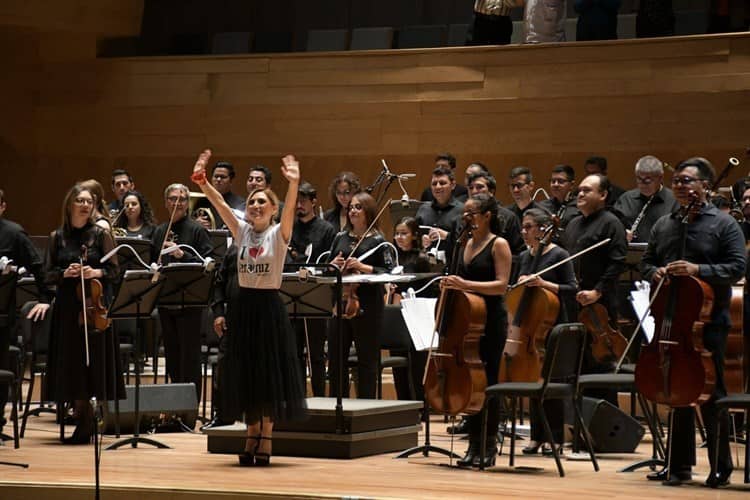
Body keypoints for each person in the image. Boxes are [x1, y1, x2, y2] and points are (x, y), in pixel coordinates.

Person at [192, 149, 306, 466]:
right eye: (252, 201)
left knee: (267, 375)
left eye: (262, 202)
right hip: (243, 309)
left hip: (268, 309)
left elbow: (291, 209)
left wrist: (293, 183)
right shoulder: (241, 232)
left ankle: (265, 435)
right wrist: (202, 183)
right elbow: (221, 205)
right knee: (247, 375)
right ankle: (250, 432)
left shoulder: (278, 234)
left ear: (273, 209)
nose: (255, 205)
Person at [641, 157, 745, 487]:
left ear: (705, 186)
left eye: (688, 181)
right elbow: (646, 262)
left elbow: (737, 268)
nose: (681, 187)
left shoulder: (724, 224)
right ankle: (678, 465)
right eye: (677, 182)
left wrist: (699, 270)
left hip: (708, 323)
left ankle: (721, 467)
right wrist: (654, 271)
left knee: (712, 395)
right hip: (672, 322)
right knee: (677, 392)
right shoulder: (666, 224)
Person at [44, 184, 125, 444]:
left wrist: (96, 272)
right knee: (72, 364)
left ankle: (91, 417)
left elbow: (115, 271)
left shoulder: (101, 234)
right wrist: (63, 274)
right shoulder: (57, 237)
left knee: (95, 363)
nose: (85, 205)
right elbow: (46, 275)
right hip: (68, 310)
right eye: (79, 200)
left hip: (95, 308)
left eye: (89, 201)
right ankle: (82, 415)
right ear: (70, 204)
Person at [441, 193, 511, 468]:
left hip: (491, 320)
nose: (465, 217)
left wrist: (465, 285)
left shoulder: (499, 244)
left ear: (487, 216)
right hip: (467, 321)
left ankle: (489, 444)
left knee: (488, 382)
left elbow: (502, 285)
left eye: (471, 213)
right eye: (464, 213)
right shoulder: (466, 243)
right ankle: (472, 444)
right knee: (469, 382)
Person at [515, 208, 577, 456]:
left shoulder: (559, 254)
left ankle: (556, 439)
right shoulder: (524, 256)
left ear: (543, 229)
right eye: (523, 226)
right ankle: (536, 436)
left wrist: (543, 283)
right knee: (533, 380)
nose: (524, 231)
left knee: (552, 384)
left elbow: (572, 288)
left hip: (553, 326)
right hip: (531, 326)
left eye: (529, 226)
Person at [560, 173, 627, 396]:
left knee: (600, 366)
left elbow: (617, 263)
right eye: (579, 190)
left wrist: (597, 291)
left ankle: (606, 425)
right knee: (575, 367)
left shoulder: (611, 223)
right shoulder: (572, 224)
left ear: (603, 195)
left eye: (587, 190)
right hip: (574, 305)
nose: (580, 193)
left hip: (600, 306)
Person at [328, 192, 394, 400]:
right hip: (340, 302)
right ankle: (338, 406)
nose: (353, 211)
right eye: (351, 208)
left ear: (369, 212)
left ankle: (366, 406)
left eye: (358, 207)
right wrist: (334, 266)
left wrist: (362, 267)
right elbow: (327, 269)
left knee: (367, 360)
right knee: (337, 359)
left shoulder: (379, 241)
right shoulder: (340, 237)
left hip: (367, 305)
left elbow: (389, 272)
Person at [151, 183, 212, 404]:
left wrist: (181, 255)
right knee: (173, 356)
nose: (178, 203)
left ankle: (191, 405)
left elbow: (208, 265)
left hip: (191, 303)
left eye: (182, 199)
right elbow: (152, 261)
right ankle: (176, 404)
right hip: (167, 301)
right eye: (173, 198)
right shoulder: (159, 231)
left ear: (187, 203)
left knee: (190, 357)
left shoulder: (197, 230)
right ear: (166, 202)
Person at [0, 189, 52, 435]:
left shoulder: (13, 233)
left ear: (2, 207)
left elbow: (37, 265)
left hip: (2, 317)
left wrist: (44, 298)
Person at [288, 181, 336, 397]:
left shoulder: (326, 229)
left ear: (314, 202)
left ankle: (319, 397)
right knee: (294, 352)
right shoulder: (289, 226)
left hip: (315, 294)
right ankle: (297, 398)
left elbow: (328, 263)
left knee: (316, 353)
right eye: (296, 201)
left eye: (303, 201)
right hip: (291, 292)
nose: (299, 205)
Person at [389, 217, 431, 402]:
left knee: (416, 364)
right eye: (397, 233)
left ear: (414, 236)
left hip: (415, 314)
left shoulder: (421, 259)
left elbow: (428, 288)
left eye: (404, 233)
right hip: (396, 315)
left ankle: (420, 405)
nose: (399, 237)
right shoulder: (392, 257)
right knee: (398, 364)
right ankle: (402, 403)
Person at [613, 155, 679, 243]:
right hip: (631, 253)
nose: (642, 185)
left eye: (647, 180)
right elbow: (613, 227)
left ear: (660, 178)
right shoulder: (626, 199)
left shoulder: (675, 200)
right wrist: (621, 234)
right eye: (639, 179)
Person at [416, 165, 465, 262]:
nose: (438, 187)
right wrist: (421, 240)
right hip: (426, 265)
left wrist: (446, 235)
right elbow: (414, 235)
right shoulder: (423, 209)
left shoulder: (462, 210)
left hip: (453, 265)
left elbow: (467, 242)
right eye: (434, 184)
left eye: (442, 183)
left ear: (453, 185)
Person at [193, 161, 245, 229]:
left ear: (231, 181)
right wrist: (196, 223)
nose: (218, 179)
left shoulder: (240, 203)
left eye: (223, 177)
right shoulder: (201, 202)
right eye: (216, 176)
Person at [538, 164, 580, 241]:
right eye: (553, 181)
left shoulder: (580, 206)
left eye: (560, 181)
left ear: (571, 185)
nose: (555, 184)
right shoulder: (542, 206)